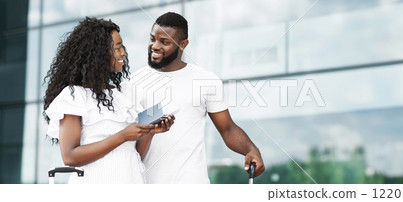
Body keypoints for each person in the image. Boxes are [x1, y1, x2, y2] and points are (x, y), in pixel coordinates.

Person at [130, 12, 265, 183]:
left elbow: (227, 128)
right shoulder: (133, 82)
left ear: (183, 44)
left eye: (164, 42)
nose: (155, 46)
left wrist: (251, 149)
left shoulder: (206, 80)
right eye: (152, 39)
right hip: (146, 185)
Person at [43, 17, 174, 184]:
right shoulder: (74, 96)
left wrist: (149, 132)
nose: (123, 53)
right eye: (118, 48)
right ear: (98, 53)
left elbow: (134, 154)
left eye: (123, 47)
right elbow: (70, 156)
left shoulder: (126, 93)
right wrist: (123, 136)